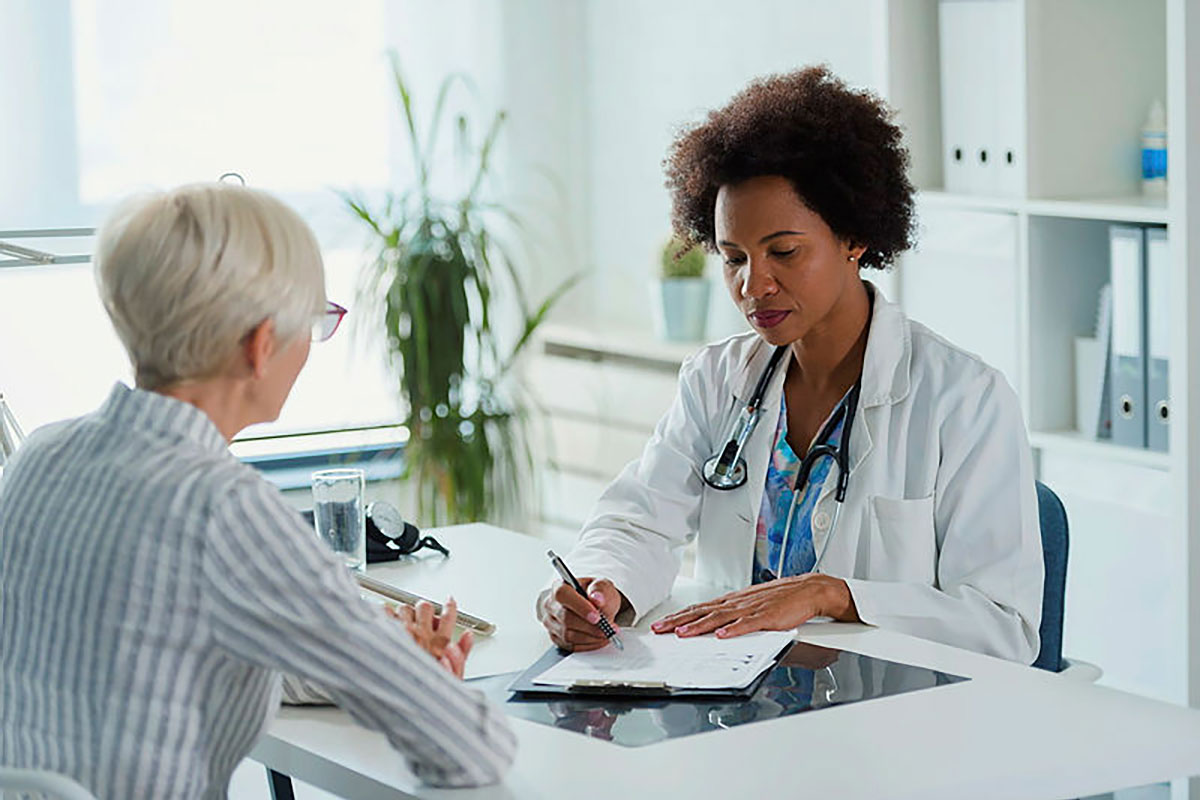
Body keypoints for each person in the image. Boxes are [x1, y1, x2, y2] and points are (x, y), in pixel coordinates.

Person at [0, 184, 515, 797]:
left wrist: (378, 663)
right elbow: (469, 748)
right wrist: (415, 683)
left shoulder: (40, 454)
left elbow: (158, 659)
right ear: (261, 345)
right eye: (314, 322)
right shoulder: (224, 509)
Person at [537, 66, 1043, 663]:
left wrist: (837, 596)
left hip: (892, 722)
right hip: (730, 700)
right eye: (733, 259)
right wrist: (600, 589)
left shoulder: (964, 399)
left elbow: (1004, 627)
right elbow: (639, 520)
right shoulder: (719, 382)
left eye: (784, 251)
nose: (755, 285)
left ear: (853, 236)